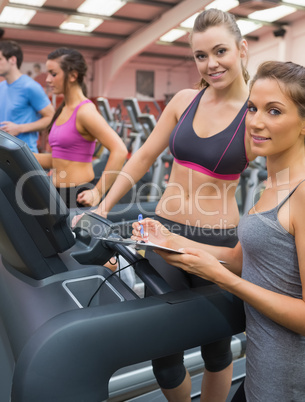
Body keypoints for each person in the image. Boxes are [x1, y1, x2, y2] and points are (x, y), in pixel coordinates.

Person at [91, 8, 256, 402]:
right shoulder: (185, 100)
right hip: (163, 233)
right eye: (201, 56)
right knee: (164, 356)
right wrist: (103, 205)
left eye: (220, 51)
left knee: (216, 349)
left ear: (242, 49)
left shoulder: (255, 114)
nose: (211, 64)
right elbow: (143, 156)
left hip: (216, 238)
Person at [132, 60, 305, 402]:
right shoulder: (272, 188)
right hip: (259, 375)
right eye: (253, 108)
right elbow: (241, 260)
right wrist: (173, 241)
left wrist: (223, 280)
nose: (255, 121)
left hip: (287, 385)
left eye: (274, 111)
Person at [34, 47, 128, 208]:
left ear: (73, 75)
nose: (48, 79)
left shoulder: (85, 112)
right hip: (55, 192)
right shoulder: (62, 109)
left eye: (53, 74)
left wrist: (97, 192)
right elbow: (59, 159)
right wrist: (18, 155)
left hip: (77, 196)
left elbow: (120, 150)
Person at [0, 40, 54, 153]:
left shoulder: (30, 87)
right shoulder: (1, 87)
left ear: (12, 60)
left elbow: (51, 118)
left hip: (23, 154)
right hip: (3, 154)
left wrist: (19, 128)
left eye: (0, 59)